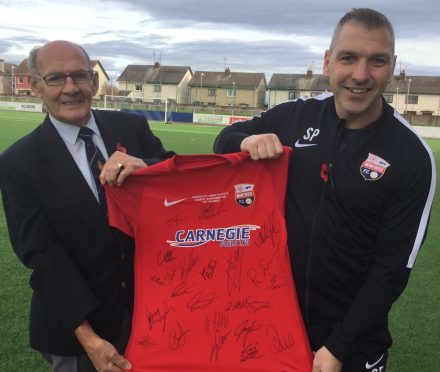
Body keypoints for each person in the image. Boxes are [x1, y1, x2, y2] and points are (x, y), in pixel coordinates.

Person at [214, 8, 436, 372]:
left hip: (350, 349)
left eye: (377, 61)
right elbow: (224, 141)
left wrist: (337, 348)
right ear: (328, 62)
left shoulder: (412, 156)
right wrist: (248, 140)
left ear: (392, 66)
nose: (360, 75)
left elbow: (391, 270)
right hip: (273, 330)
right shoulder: (293, 117)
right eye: (348, 58)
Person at [0, 40, 173, 372]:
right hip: (79, 331)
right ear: (36, 87)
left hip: (149, 313)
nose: (71, 88)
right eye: (55, 79)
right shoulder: (19, 163)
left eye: (80, 76)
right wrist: (90, 339)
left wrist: (146, 166)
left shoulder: (131, 128)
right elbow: (43, 257)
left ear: (94, 83)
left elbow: (176, 183)